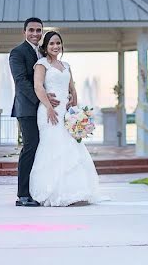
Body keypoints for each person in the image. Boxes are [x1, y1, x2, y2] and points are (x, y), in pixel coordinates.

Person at [28, 30, 102, 206]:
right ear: (45, 47)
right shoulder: (41, 64)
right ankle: (52, 190)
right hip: (48, 112)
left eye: (58, 43)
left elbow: (73, 89)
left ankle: (74, 191)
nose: (55, 46)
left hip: (66, 113)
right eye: (52, 43)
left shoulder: (66, 65)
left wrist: (75, 110)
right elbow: (38, 87)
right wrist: (48, 107)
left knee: (71, 147)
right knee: (53, 147)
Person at [9, 17, 74, 207]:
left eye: (38, 30)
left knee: (43, 148)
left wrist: (67, 96)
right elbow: (21, 82)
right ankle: (22, 195)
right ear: (24, 32)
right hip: (28, 108)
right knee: (30, 147)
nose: (35, 34)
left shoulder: (43, 54)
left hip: (46, 109)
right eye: (31, 30)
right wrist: (44, 100)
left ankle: (40, 189)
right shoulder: (17, 53)